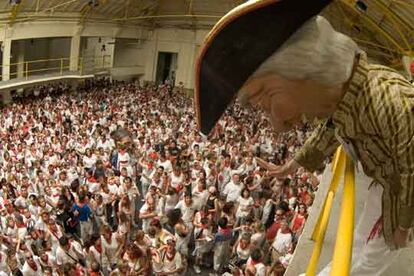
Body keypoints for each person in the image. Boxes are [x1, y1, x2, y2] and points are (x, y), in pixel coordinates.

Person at [194, 0, 414, 274]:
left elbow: (409, 170)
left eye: (266, 94)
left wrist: (403, 223)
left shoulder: (390, 101)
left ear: (303, 70)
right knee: (358, 242)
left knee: (372, 259)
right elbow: (331, 129)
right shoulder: (344, 94)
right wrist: (291, 166)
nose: (268, 113)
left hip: (395, 185)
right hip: (381, 178)